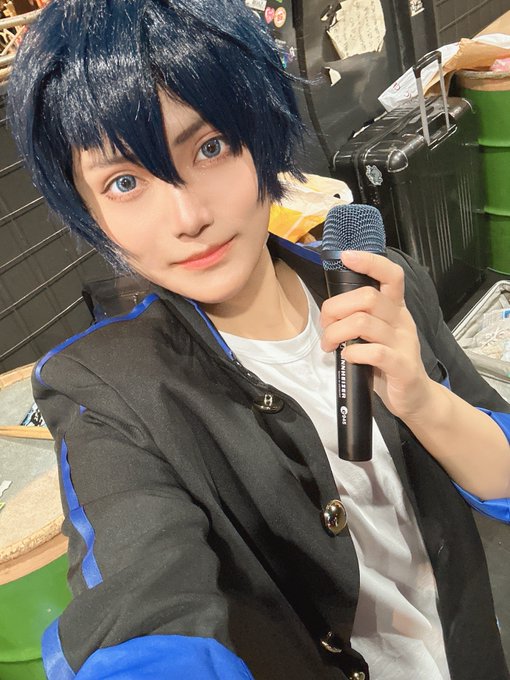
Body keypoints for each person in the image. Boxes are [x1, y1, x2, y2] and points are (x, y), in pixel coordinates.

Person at [7, 1, 510, 678]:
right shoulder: (107, 393)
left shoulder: (379, 284)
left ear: (260, 136)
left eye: (210, 147)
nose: (188, 215)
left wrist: (422, 399)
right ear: (90, 211)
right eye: (125, 183)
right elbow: (140, 602)